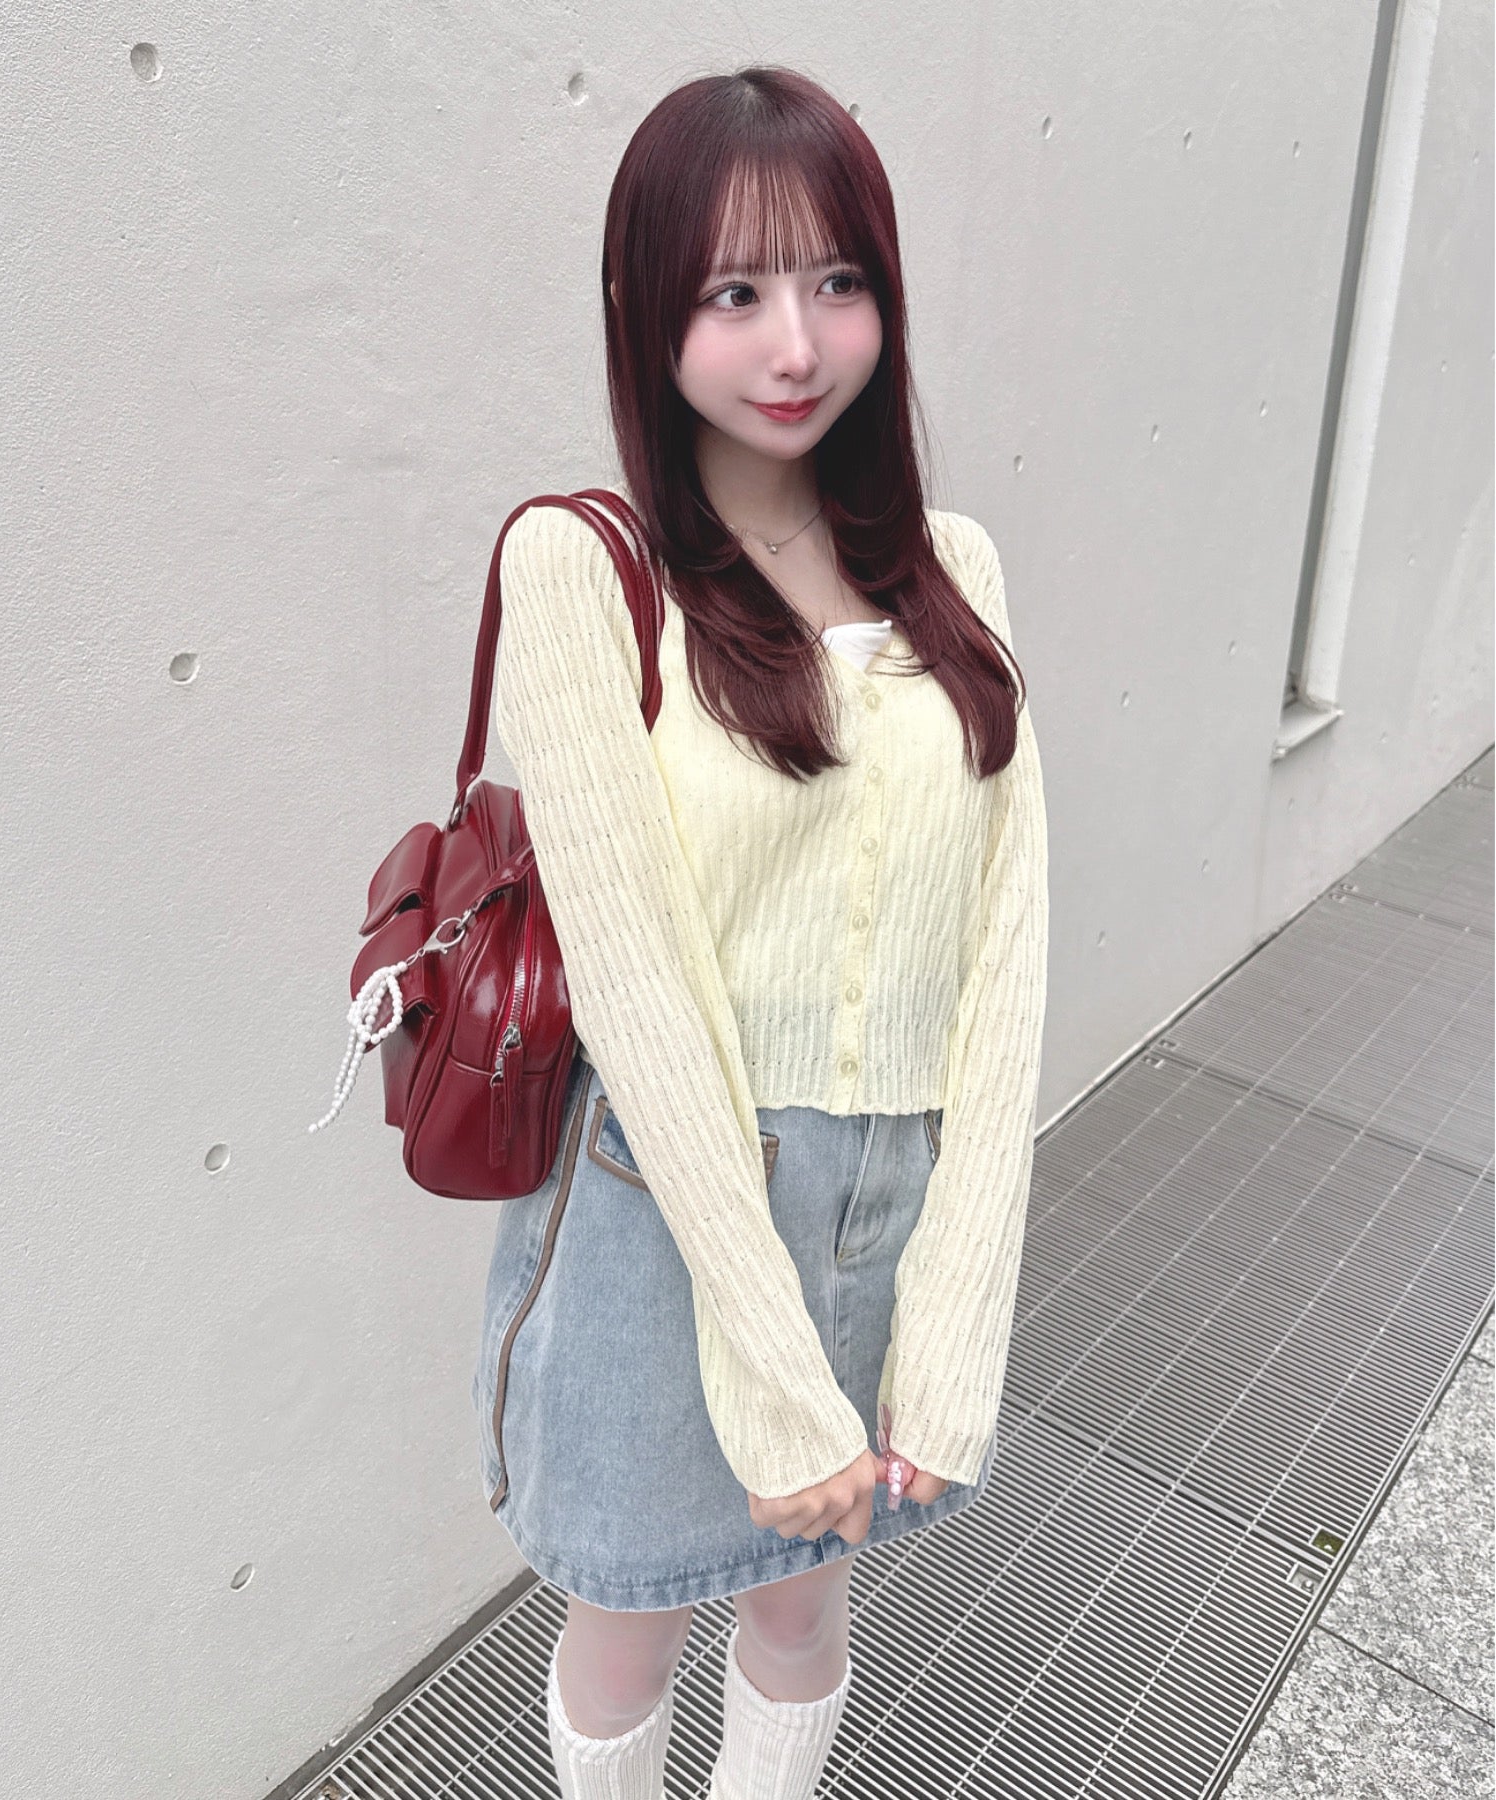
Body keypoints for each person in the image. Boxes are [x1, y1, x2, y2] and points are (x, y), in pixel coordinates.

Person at [470, 62, 1050, 1800]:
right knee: (632, 1621)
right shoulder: (585, 568)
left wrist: (957, 1320)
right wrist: (777, 1375)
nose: (796, 344)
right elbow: (636, 992)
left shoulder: (955, 567)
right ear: (647, 308)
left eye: (837, 280)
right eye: (734, 291)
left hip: (890, 1196)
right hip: (671, 1201)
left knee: (806, 1605)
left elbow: (1007, 954)